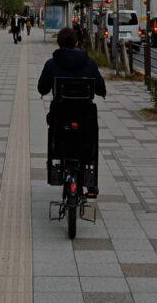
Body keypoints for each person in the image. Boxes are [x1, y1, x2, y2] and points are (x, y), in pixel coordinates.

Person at [37, 27, 106, 195]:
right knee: (92, 135)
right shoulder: (89, 62)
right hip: (85, 116)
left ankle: (56, 167)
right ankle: (91, 182)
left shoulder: (51, 64)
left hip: (60, 115)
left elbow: (42, 88)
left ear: (59, 43)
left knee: (53, 130)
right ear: (77, 42)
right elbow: (101, 88)